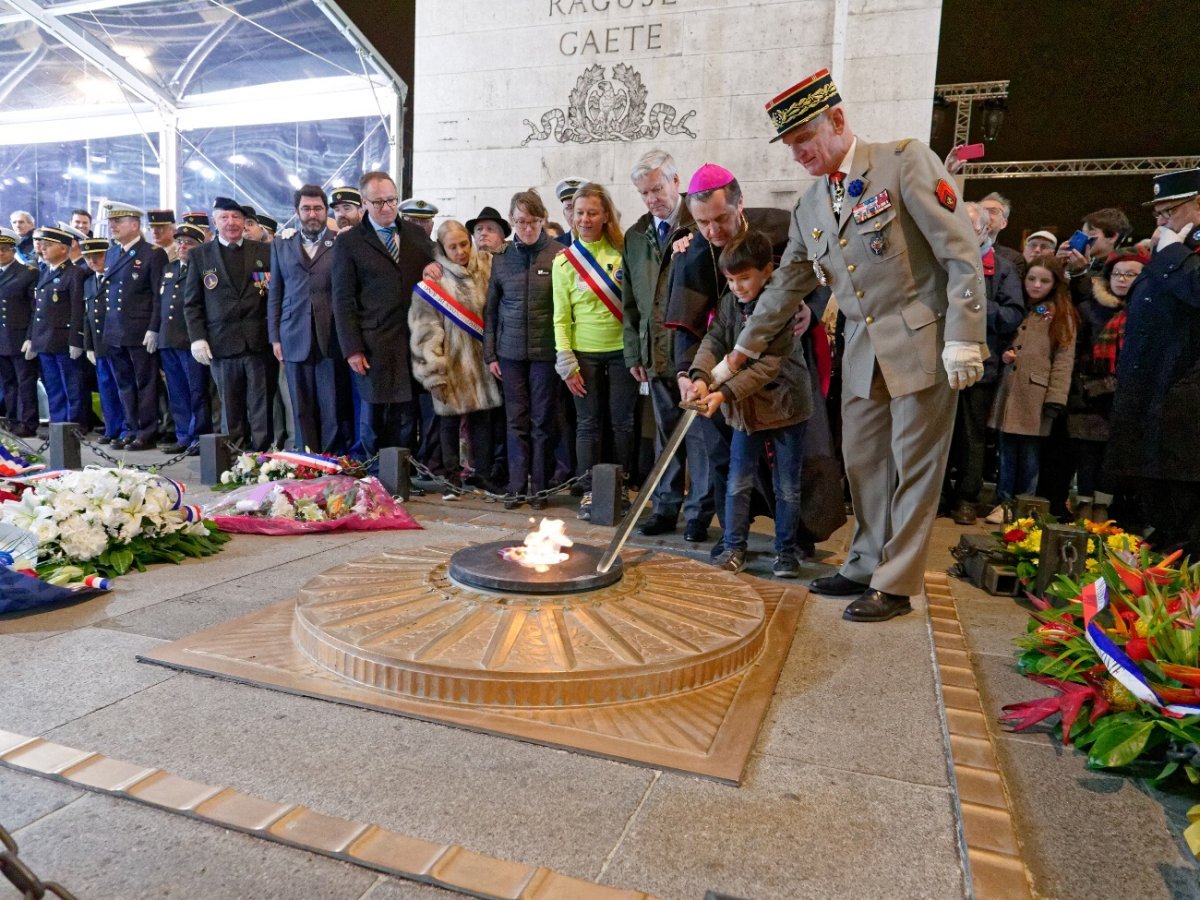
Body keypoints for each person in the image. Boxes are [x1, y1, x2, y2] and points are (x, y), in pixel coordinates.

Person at [730, 67, 986, 622]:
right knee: (864, 461)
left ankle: (895, 583)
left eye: (804, 139)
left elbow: (960, 251)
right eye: (790, 145)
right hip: (862, 347)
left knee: (915, 464)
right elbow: (783, 289)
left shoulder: (902, 161)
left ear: (837, 120)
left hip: (923, 339)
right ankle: (866, 560)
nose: (798, 154)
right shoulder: (810, 207)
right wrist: (740, 351)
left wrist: (966, 336)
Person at [687, 231, 813, 576]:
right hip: (747, 413)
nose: (737, 287)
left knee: (786, 485)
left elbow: (768, 365)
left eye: (744, 278)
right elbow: (716, 337)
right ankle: (733, 547)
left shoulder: (780, 307)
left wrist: (723, 392)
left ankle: (786, 551)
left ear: (766, 272)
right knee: (737, 481)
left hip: (786, 407)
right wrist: (700, 375)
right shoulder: (731, 302)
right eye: (730, 280)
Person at [1107, 168, 1200, 556]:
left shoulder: (1177, 256)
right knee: (1153, 492)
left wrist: (1174, 253)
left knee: (1183, 502)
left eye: (1169, 212)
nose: (1161, 223)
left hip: (1183, 400)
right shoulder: (1167, 256)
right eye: (1158, 215)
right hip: (1149, 396)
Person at [622, 149, 699, 538]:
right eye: (644, 193)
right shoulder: (636, 236)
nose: (653, 199)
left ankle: (700, 515)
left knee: (700, 437)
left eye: (657, 188)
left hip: (694, 352)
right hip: (655, 351)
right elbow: (630, 301)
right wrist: (634, 351)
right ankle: (665, 508)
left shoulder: (699, 223)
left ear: (676, 182)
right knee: (664, 436)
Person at [331, 171, 434, 454]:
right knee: (375, 415)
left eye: (391, 200)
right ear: (364, 203)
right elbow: (342, 300)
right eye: (378, 203)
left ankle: (401, 476)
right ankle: (375, 477)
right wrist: (352, 348)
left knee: (407, 413)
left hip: (412, 341)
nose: (387, 207)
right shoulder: (349, 242)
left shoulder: (415, 234)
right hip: (373, 343)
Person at [552, 182, 636, 520]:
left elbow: (633, 307)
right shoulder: (564, 263)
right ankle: (588, 491)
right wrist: (566, 360)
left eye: (592, 213)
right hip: (582, 356)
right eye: (580, 213)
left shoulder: (621, 254)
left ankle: (622, 487)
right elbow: (560, 318)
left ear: (605, 216)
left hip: (621, 352)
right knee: (587, 424)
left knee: (623, 424)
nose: (585, 219)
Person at [944, 202, 1025, 525]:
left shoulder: (1001, 268)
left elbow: (1012, 316)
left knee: (971, 437)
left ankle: (966, 497)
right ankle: (938, 495)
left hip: (980, 367)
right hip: (940, 365)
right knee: (938, 435)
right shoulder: (941, 261)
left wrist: (974, 305)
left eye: (971, 228)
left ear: (984, 230)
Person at [484, 188, 563, 510]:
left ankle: (539, 488)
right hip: (510, 352)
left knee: (542, 421)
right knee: (515, 420)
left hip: (546, 353)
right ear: (512, 222)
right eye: (519, 222)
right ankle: (517, 486)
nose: (525, 228)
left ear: (542, 220)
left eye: (531, 221)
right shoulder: (502, 258)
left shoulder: (559, 254)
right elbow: (490, 310)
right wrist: (490, 354)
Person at [411, 220, 502, 497]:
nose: (461, 251)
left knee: (483, 421)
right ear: (442, 248)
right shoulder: (434, 280)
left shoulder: (488, 265)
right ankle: (451, 477)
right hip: (451, 360)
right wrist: (434, 369)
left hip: (483, 360)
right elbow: (426, 328)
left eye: (464, 244)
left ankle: (483, 474)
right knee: (448, 421)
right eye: (453, 247)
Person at [984, 255, 1078, 523]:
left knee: (1029, 456)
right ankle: (1003, 501)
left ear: (1055, 283)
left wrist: (1056, 398)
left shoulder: (1062, 314)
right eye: (1032, 279)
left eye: (1044, 281)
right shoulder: (1020, 308)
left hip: (1036, 396)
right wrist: (1006, 356)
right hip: (1010, 392)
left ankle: (1025, 505)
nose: (1036, 285)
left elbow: (1063, 359)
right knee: (1006, 453)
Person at [184, 196, 273, 450]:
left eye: (236, 217)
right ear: (214, 221)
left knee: (260, 405)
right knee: (230, 407)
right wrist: (197, 338)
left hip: (258, 341)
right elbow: (192, 302)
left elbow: (273, 295)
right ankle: (235, 457)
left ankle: (262, 456)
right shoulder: (201, 255)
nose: (231, 223)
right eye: (224, 217)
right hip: (221, 343)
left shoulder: (263, 251)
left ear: (245, 222)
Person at [1066, 247, 1148, 522]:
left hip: (1127, 395)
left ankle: (1104, 504)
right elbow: (1076, 352)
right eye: (1117, 273)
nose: (1122, 280)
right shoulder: (1090, 309)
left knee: (1113, 455)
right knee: (1087, 453)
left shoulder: (1146, 310)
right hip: (1090, 393)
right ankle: (1084, 503)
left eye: (1130, 275)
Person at [268, 185, 348, 454]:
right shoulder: (281, 244)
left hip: (332, 333)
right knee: (300, 403)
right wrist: (274, 336)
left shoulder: (340, 242)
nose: (312, 214)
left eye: (317, 208)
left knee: (332, 402)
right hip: (292, 333)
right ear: (297, 212)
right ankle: (306, 458)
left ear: (326, 211)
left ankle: (332, 458)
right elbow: (275, 293)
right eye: (306, 208)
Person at [101, 202, 167, 450]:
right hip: (116, 330)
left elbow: (157, 296)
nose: (113, 226)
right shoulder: (113, 253)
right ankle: (130, 427)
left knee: (145, 382)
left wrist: (154, 328)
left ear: (135, 225)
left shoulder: (152, 253)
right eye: (111, 222)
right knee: (124, 383)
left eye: (118, 221)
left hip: (140, 329)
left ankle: (147, 430)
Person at [157, 224, 211, 455]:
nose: (182, 246)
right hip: (169, 337)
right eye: (179, 242)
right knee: (177, 392)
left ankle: (198, 435)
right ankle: (183, 435)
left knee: (197, 391)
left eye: (189, 242)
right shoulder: (169, 269)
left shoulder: (203, 269)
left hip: (191, 339)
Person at [28, 226, 87, 425]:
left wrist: (76, 339)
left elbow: (78, 309)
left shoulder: (75, 274)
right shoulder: (44, 272)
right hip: (45, 340)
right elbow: (38, 310)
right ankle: (58, 424)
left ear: (63, 249)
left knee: (72, 385)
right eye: (41, 245)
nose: (42, 248)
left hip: (63, 340)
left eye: (48, 245)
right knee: (53, 386)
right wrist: (32, 338)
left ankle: (73, 425)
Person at [80, 236, 125, 445]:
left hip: (116, 342)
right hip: (99, 345)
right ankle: (112, 428)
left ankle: (125, 428)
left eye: (97, 256)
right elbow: (87, 317)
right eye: (88, 257)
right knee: (106, 389)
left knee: (122, 388)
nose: (92, 261)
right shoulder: (89, 282)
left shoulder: (116, 278)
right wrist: (88, 345)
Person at [0, 227, 39, 436]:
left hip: (19, 336)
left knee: (25, 382)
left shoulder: (27, 273)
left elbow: (35, 309)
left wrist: (31, 336)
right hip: (2, 338)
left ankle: (28, 422)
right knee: (8, 382)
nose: (0, 253)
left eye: (4, 249)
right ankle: (13, 419)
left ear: (13, 251)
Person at [979, 192, 1025, 276]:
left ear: (1003, 223)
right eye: (981, 210)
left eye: (993, 211)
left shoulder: (1013, 259)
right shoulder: (957, 249)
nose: (985, 215)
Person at [553, 177, 587, 247]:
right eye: (569, 207)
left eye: (579, 207)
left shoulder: (602, 244)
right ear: (564, 213)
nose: (574, 213)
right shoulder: (555, 246)